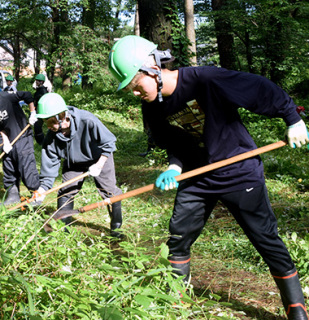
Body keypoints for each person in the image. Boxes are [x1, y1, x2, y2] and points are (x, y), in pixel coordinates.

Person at [108, 35, 309, 319]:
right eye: (128, 87)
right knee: (178, 236)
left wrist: (293, 119)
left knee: (265, 239)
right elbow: (176, 145)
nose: (134, 92)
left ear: (153, 68)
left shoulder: (206, 80)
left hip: (238, 171)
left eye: (135, 84)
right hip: (197, 177)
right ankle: (174, 302)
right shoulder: (152, 106)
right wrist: (174, 168)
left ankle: (296, 308)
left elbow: (259, 89)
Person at [33, 93, 123, 238]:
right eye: (45, 123)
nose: (48, 127)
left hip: (99, 157)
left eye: (51, 122)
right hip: (74, 162)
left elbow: (109, 143)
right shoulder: (51, 138)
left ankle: (116, 229)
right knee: (65, 191)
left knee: (110, 192)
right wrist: (42, 189)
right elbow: (49, 166)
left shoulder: (88, 121)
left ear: (62, 117)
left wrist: (99, 165)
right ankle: (63, 229)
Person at [0, 75, 40, 205]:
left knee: (25, 165)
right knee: (9, 165)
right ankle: (12, 195)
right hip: (10, 140)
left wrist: (33, 112)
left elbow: (26, 95)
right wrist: (6, 142)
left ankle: (36, 194)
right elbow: (0, 127)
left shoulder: (6, 97)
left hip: (22, 137)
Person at [30, 74, 49, 145]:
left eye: (37, 81)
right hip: (37, 110)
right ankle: (40, 142)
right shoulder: (39, 90)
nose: (36, 82)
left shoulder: (43, 91)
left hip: (41, 111)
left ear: (41, 82)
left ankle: (41, 142)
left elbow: (42, 101)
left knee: (37, 126)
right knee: (37, 126)